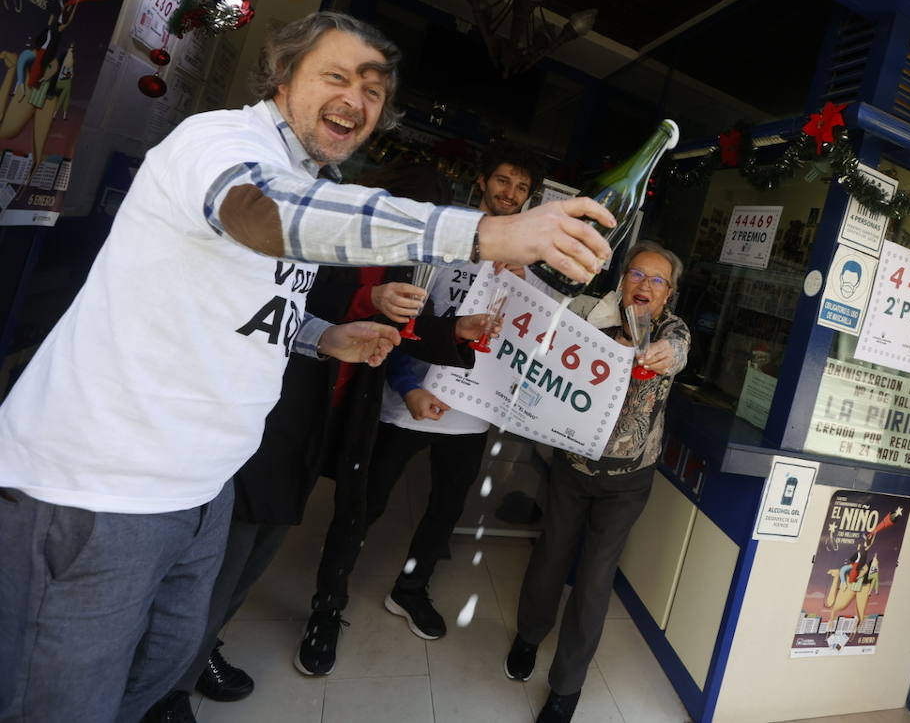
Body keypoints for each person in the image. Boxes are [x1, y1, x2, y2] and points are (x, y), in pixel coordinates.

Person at [0, 10, 614, 723]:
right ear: (283, 74)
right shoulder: (222, 142)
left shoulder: (305, 172)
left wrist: (324, 336)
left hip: (205, 487)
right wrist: (488, 232)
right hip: (100, 489)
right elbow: (263, 212)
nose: (358, 99)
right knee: (62, 703)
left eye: (376, 89)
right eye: (337, 75)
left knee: (159, 674)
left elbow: (244, 299)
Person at [144, 165, 488, 723]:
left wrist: (454, 332)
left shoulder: (403, 262)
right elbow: (291, 308)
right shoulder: (323, 240)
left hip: (328, 426)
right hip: (276, 422)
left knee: (260, 550)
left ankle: (197, 657)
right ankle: (168, 691)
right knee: (225, 561)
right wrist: (369, 294)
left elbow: (399, 330)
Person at [296, 142, 548, 675]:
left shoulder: (529, 257)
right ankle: (327, 605)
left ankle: (411, 589)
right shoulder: (441, 233)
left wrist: (526, 290)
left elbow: (537, 336)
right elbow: (406, 318)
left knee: (446, 509)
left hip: (471, 410)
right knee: (363, 504)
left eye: (522, 188)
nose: (511, 194)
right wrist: (409, 384)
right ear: (482, 182)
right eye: (503, 180)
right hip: (404, 399)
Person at [503, 241, 691, 723]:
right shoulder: (589, 313)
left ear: (668, 294)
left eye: (657, 280)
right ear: (622, 279)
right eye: (637, 275)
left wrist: (659, 353)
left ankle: (566, 688)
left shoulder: (673, 331)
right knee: (551, 556)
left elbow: (676, 354)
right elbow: (547, 330)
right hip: (573, 467)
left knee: (593, 581)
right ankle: (528, 637)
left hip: (629, 481)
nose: (644, 285)